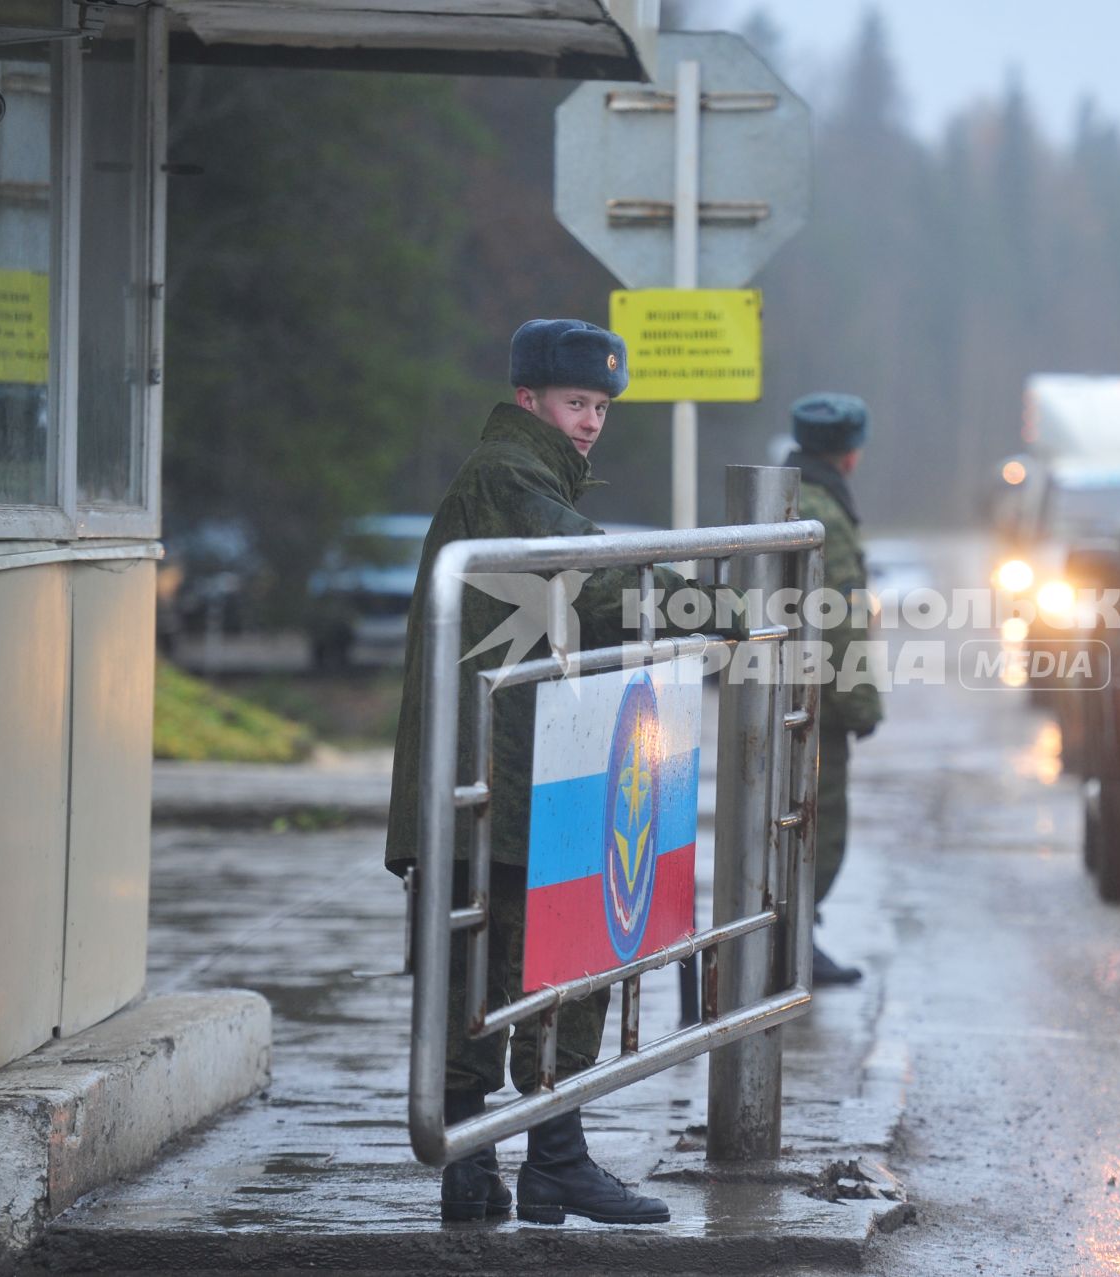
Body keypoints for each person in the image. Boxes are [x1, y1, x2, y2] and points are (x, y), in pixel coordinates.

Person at [387, 318, 685, 1227]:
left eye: (600, 405)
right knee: (531, 970)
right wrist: (712, 598)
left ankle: (496, 1170)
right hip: (496, 779)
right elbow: (588, 577)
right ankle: (531, 1164)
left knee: (506, 973)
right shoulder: (507, 475)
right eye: (575, 402)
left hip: (508, 776)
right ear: (529, 400)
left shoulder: (524, 474)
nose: (591, 420)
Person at [786, 393, 884, 986]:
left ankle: (784, 939)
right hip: (816, 700)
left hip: (773, 688)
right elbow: (840, 619)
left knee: (782, 818)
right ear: (851, 454)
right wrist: (860, 705)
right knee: (819, 821)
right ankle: (796, 943)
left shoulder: (789, 496)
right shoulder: (828, 513)